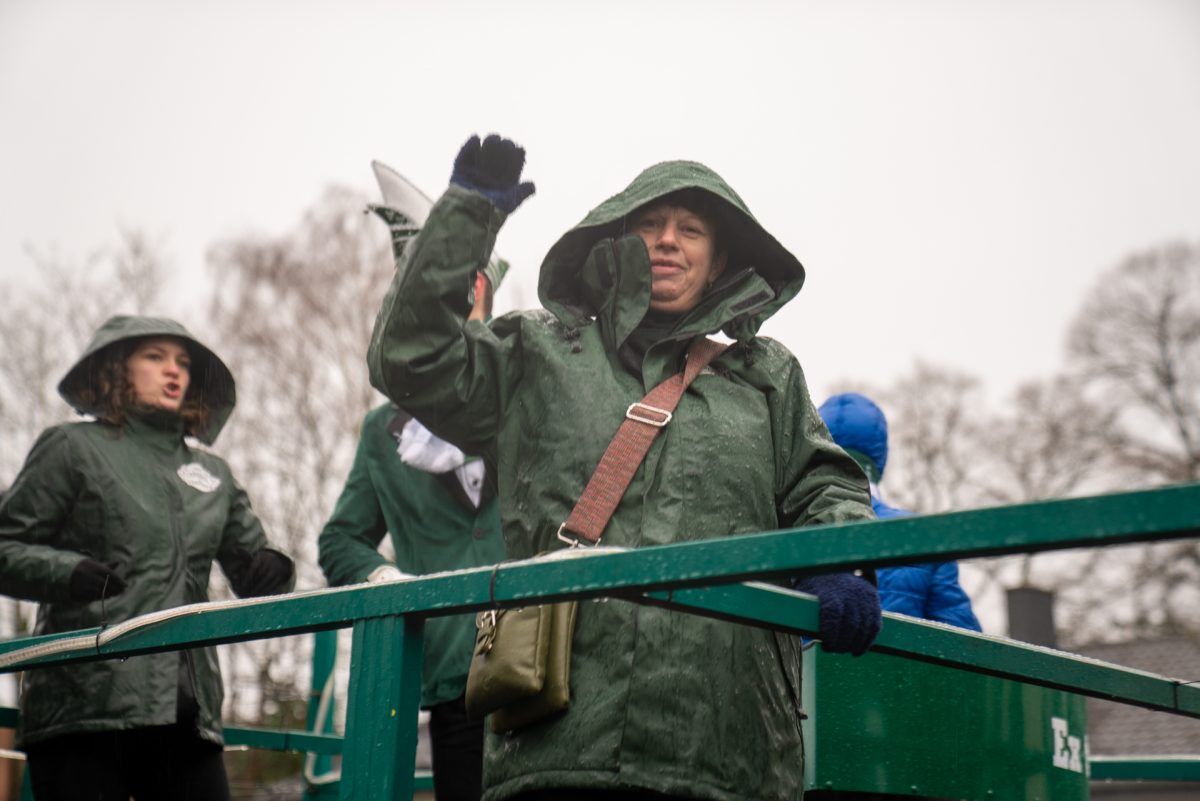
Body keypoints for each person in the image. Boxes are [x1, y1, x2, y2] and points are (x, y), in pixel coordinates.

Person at [365, 133, 882, 801]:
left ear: (719, 256)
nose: (668, 240)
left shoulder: (768, 378)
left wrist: (838, 556)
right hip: (558, 743)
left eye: (691, 229)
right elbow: (409, 358)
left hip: (729, 749)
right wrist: (466, 216)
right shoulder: (537, 351)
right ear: (615, 239)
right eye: (650, 224)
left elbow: (825, 481)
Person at [0, 314, 295, 801]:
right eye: (155, 357)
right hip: (85, 706)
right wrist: (66, 572)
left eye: (182, 362)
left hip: (189, 715)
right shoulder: (72, 448)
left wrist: (275, 568)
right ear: (116, 369)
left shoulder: (213, 473)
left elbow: (253, 570)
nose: (173, 370)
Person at [318, 256, 508, 801]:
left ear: (485, 296)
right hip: (455, 679)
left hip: (552, 661)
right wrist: (387, 582)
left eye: (468, 286)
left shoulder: (526, 389)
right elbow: (340, 541)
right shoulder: (384, 430)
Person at [818, 392, 982, 631]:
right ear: (880, 457)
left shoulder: (783, 531)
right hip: (897, 669)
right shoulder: (925, 536)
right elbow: (966, 646)